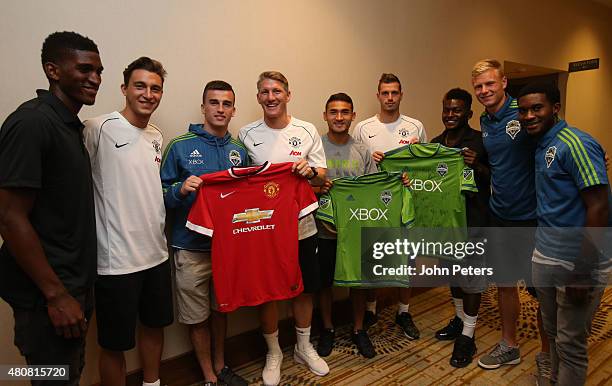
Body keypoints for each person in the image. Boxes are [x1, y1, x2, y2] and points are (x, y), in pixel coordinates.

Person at [0, 31, 102, 386]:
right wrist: (56, 296)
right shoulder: (31, 123)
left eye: (99, 71)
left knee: (70, 374)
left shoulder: (69, 125)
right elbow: (10, 218)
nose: (95, 79)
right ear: (53, 70)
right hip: (48, 295)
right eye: (85, 69)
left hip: (73, 285)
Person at [83, 57, 173, 386]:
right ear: (124, 89)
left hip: (156, 255)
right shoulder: (97, 127)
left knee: (154, 327)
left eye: (155, 88)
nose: (148, 94)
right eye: (140, 86)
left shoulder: (156, 135)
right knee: (113, 344)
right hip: (115, 262)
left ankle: (153, 383)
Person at [238, 71, 328, 385]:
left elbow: (321, 174)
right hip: (262, 228)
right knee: (268, 292)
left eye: (277, 91)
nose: (271, 97)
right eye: (264, 92)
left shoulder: (307, 130)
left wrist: (310, 170)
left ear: (288, 95)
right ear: (258, 97)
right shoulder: (246, 133)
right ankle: (273, 352)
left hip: (302, 224)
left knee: (305, 288)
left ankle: (303, 346)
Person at [518, 82, 608, 386]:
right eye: (524, 110)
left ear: (555, 108)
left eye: (537, 108)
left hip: (577, 262)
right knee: (553, 331)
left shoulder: (576, 143)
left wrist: (583, 271)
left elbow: (599, 206)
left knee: (571, 345)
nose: (529, 115)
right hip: (546, 254)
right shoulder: (540, 143)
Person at [160, 80, 248, 386]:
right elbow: (157, 196)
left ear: (233, 110)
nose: (220, 109)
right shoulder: (179, 145)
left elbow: (247, 198)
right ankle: (209, 375)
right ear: (203, 107)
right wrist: (179, 189)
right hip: (190, 249)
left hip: (227, 250)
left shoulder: (239, 150)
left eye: (226, 104)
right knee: (197, 317)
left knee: (221, 310)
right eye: (214, 102)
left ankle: (221, 366)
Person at [471, 59, 550, 378]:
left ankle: (548, 353)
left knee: (542, 291)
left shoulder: (525, 111)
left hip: (533, 217)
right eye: (478, 86)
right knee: (504, 285)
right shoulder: (486, 121)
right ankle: (509, 345)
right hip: (500, 215)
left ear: (504, 82)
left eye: (490, 83)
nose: (484, 90)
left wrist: (589, 151)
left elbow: (555, 136)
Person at [352, 73, 426, 340]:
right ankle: (371, 309)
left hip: (405, 204)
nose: (390, 98)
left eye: (395, 93)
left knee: (406, 261)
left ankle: (404, 311)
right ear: (378, 95)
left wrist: (415, 159)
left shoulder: (415, 126)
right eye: (385, 93)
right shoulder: (363, 127)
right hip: (374, 204)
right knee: (374, 259)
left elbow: (424, 166)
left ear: (401, 95)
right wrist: (369, 157)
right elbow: (356, 164)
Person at [315, 93, 379, 359]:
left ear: (353, 116)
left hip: (356, 231)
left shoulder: (363, 151)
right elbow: (303, 188)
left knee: (359, 283)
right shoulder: (315, 148)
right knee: (324, 283)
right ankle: (327, 328)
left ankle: (358, 328)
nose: (339, 117)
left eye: (345, 112)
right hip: (323, 231)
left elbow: (374, 190)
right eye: (333, 112)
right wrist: (318, 188)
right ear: (325, 115)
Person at [430, 88, 490, 367]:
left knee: (471, 281)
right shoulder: (435, 143)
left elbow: (497, 178)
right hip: (445, 225)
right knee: (453, 275)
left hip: (473, 223)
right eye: (446, 109)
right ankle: (458, 319)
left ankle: (468, 334)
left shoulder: (480, 142)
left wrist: (477, 164)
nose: (450, 115)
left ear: (469, 113)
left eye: (456, 110)